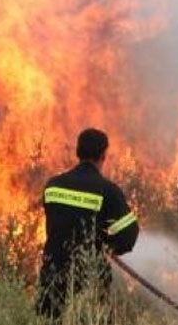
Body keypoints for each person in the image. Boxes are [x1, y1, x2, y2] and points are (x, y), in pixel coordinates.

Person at [37, 128, 140, 320]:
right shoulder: (108, 191)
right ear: (103, 155)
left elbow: (58, 223)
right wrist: (106, 245)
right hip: (88, 279)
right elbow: (129, 233)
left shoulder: (53, 186)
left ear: (78, 152)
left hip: (52, 275)